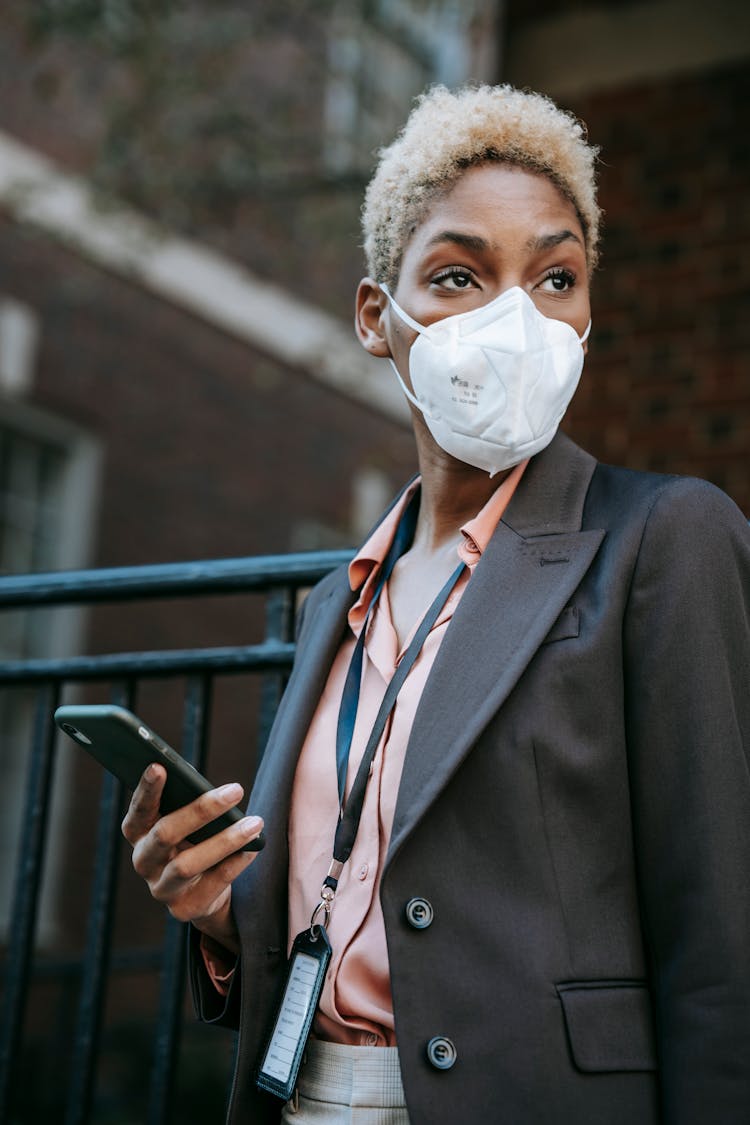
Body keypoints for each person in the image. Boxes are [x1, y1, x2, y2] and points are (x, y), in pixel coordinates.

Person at [122, 85, 750, 1124]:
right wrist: (226, 922)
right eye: (461, 276)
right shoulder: (340, 599)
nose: (518, 318)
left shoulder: (669, 538)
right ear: (379, 318)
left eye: (556, 277)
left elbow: (723, 940)